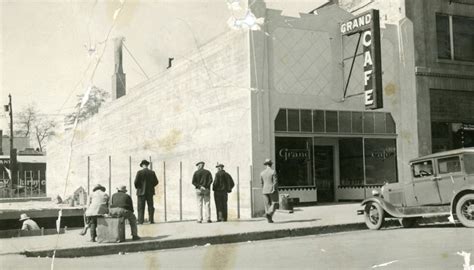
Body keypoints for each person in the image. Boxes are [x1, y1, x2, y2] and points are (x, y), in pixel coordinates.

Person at [134, 160, 159, 224]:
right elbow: (156, 182)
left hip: (140, 192)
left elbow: (136, 182)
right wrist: (151, 186)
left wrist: (139, 188)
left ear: (142, 165)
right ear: (147, 165)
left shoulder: (139, 172)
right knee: (150, 206)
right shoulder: (152, 172)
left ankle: (140, 221)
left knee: (140, 207)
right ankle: (151, 220)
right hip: (150, 192)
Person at [260, 159, 278, 223]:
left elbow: (261, 183)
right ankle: (268, 213)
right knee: (275, 203)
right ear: (271, 164)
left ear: (265, 165)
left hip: (264, 190)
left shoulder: (262, 173)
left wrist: (263, 189)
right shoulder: (273, 171)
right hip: (272, 189)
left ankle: (269, 219)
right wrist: (274, 189)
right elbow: (275, 182)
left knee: (267, 205)